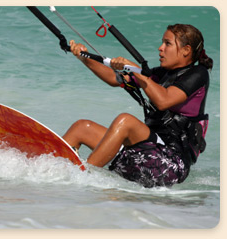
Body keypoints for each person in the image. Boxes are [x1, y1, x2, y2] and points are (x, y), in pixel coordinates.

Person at [62, 24, 213, 188]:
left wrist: (135, 71)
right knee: (82, 127)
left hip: (169, 165)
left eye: (167, 44)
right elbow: (115, 78)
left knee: (125, 121)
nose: (160, 48)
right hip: (142, 154)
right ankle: (50, 171)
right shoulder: (160, 74)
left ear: (186, 50)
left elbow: (164, 101)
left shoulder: (198, 74)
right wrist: (85, 58)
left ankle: (81, 177)